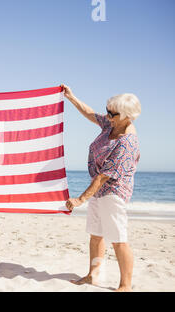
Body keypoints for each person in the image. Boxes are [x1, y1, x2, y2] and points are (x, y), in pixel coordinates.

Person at [61, 84, 141, 292]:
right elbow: (91, 114)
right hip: (98, 191)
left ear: (125, 115)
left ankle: (125, 285)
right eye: (107, 111)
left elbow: (103, 177)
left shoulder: (126, 143)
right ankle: (92, 275)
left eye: (111, 113)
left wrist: (80, 199)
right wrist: (71, 97)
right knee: (96, 234)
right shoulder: (112, 124)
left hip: (113, 192)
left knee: (118, 239)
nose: (107, 115)